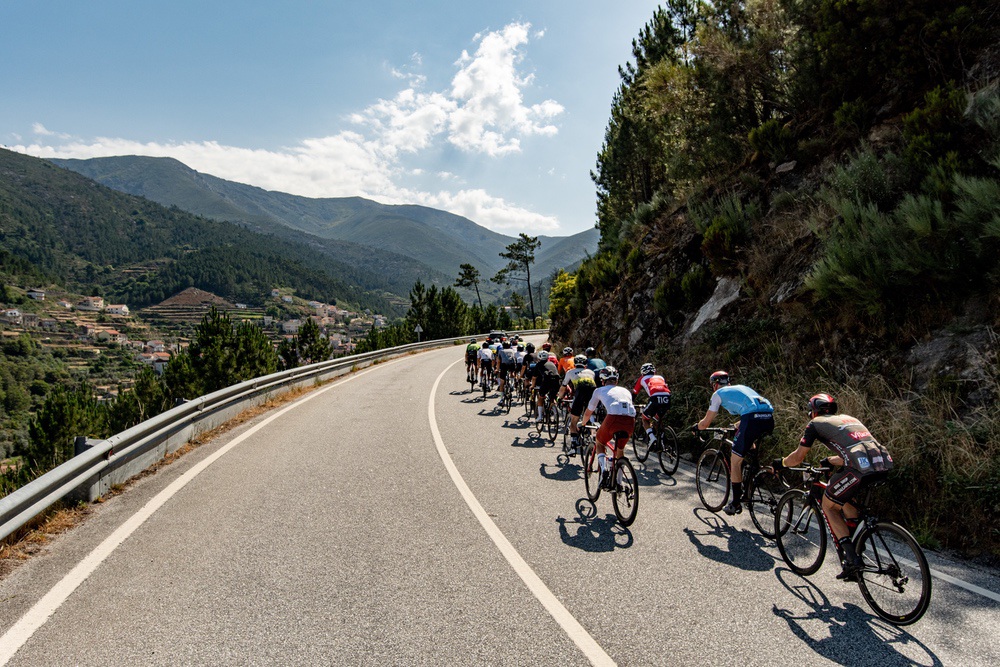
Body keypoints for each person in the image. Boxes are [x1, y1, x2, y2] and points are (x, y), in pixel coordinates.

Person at [773, 393, 893, 580]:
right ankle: (856, 546)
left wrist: (781, 463)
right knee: (845, 500)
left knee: (829, 506)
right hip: (882, 465)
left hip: (859, 469)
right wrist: (830, 460)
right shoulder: (849, 419)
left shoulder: (815, 423)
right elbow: (856, 450)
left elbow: (798, 457)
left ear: (812, 411)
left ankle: (852, 559)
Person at [694, 370, 774, 516]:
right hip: (768, 417)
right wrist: (736, 426)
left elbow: (705, 423)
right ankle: (756, 472)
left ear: (715, 385)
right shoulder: (741, 388)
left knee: (735, 461)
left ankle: (735, 503)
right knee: (748, 443)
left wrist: (697, 427)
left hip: (752, 419)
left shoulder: (718, 394)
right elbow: (751, 410)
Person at [581, 367, 636, 489]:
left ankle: (604, 469)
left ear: (602, 380)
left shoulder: (599, 390)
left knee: (600, 442)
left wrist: (583, 423)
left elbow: (589, 411)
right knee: (620, 450)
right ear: (616, 380)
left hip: (613, 418)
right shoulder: (626, 391)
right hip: (631, 420)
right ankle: (619, 483)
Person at [557, 354, 596, 452]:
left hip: (579, 394)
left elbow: (563, 387)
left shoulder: (570, 372)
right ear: (586, 364)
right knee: (590, 414)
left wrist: (559, 398)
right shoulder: (591, 372)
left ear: (574, 364)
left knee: (574, 420)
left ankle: (573, 445)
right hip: (593, 394)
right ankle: (593, 435)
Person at [632, 362, 671, 448]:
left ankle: (652, 438)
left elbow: (634, 393)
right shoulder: (660, 377)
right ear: (654, 371)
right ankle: (663, 440)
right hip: (667, 398)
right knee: (657, 419)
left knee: (644, 419)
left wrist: (630, 403)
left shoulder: (642, 378)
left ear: (642, 372)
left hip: (655, 398)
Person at [528, 350, 561, 430]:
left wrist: (532, 386)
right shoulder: (552, 363)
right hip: (557, 381)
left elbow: (534, 378)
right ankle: (554, 412)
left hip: (547, 380)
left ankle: (540, 417)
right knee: (552, 397)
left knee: (541, 397)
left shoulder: (538, 364)